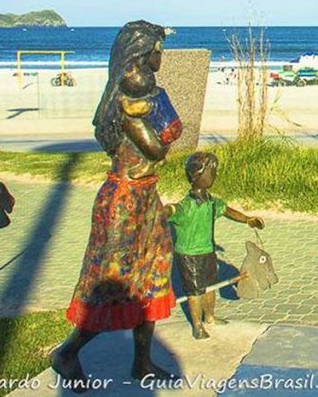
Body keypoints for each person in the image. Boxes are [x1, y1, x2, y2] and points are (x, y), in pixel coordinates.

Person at [51, 20, 182, 391]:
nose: (161, 55)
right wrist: (164, 122)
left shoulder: (147, 97)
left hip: (146, 195)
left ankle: (142, 362)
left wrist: (162, 116)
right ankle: (67, 352)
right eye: (158, 49)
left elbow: (163, 142)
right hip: (123, 201)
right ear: (142, 54)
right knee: (114, 284)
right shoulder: (129, 103)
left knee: (153, 274)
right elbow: (157, 148)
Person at [166, 151, 264, 339]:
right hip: (188, 254)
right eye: (211, 171)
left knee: (211, 286)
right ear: (196, 175)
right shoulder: (186, 206)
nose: (215, 175)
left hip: (208, 251)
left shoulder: (212, 202)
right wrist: (162, 211)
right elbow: (171, 209)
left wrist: (247, 220)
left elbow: (227, 210)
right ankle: (197, 325)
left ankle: (209, 316)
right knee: (195, 291)